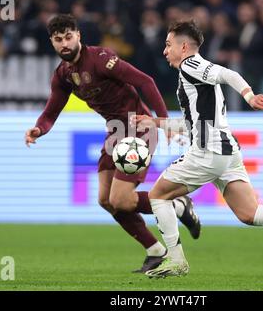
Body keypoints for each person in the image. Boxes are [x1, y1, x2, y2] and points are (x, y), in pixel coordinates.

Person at [131, 20, 263, 278]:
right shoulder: (192, 76)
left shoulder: (190, 64)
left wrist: (249, 95)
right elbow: (193, 122)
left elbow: (227, 74)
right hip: (227, 153)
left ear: (184, 47)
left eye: (168, 44)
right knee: (249, 213)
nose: (165, 51)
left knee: (158, 195)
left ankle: (176, 260)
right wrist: (157, 123)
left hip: (208, 152)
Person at [24, 14, 201, 273]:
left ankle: (177, 204)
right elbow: (51, 112)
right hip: (115, 133)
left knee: (121, 200)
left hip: (139, 129)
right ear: (52, 41)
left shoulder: (101, 59)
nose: (64, 43)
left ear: (79, 36)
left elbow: (145, 81)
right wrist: (39, 129)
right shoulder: (63, 74)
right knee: (106, 200)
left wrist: (163, 121)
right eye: (58, 39)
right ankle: (155, 250)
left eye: (69, 37)